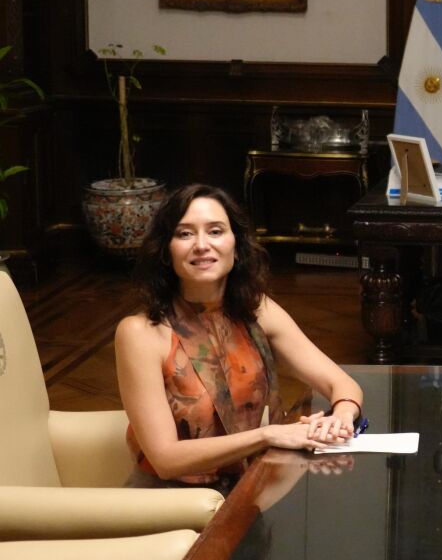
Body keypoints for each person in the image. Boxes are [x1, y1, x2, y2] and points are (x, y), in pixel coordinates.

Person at [116, 184, 364, 489]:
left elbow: (342, 383)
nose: (202, 245)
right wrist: (267, 435)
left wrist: (341, 416)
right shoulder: (140, 332)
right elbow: (166, 460)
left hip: (246, 488)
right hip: (170, 501)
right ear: (166, 250)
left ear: (236, 244)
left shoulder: (257, 311)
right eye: (185, 234)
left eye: (215, 231)